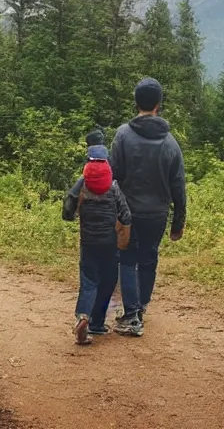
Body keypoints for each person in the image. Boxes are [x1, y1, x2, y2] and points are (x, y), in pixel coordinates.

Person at [109, 78, 187, 337]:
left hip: (127, 212)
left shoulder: (123, 135)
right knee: (149, 260)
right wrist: (178, 222)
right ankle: (140, 309)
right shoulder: (171, 143)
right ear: (158, 105)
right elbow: (178, 187)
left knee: (127, 260)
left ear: (136, 103)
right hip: (157, 215)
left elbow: (113, 175)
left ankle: (131, 315)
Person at [63, 131, 132, 345]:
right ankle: (97, 323)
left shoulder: (82, 183)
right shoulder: (113, 186)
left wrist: (76, 213)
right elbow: (126, 215)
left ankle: (83, 316)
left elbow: (67, 211)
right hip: (109, 243)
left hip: (88, 242)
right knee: (108, 281)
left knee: (89, 281)